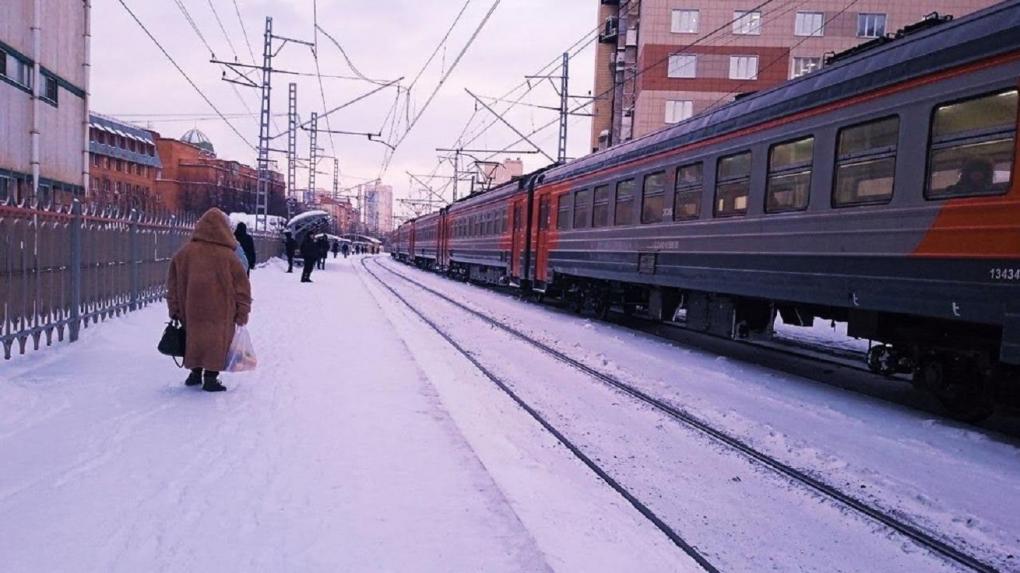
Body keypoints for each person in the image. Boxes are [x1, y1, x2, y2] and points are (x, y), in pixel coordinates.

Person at [167, 208, 252, 392]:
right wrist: (242, 311)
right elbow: (242, 287)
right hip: (221, 311)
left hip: (191, 310)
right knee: (216, 340)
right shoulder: (229, 257)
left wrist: (174, 307)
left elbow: (172, 284)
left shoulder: (184, 253)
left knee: (194, 337)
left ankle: (195, 373)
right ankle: (211, 378)